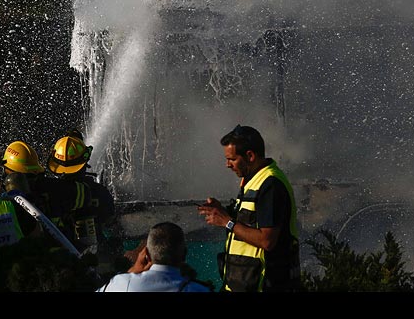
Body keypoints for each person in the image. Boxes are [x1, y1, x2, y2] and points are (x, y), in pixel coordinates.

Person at [197, 124, 301, 292]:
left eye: (232, 159)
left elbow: (267, 241)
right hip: (246, 284)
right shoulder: (253, 180)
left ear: (250, 156)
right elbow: (250, 222)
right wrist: (223, 212)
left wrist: (227, 221)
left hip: (266, 286)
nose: (227, 165)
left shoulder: (270, 185)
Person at [47, 133, 118, 273]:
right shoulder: (98, 192)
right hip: (93, 264)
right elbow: (111, 223)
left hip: (56, 264)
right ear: (85, 162)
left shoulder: (47, 192)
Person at [95, 222, 212, 292]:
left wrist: (132, 271)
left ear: (145, 255)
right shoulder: (197, 289)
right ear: (184, 255)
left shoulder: (122, 284)